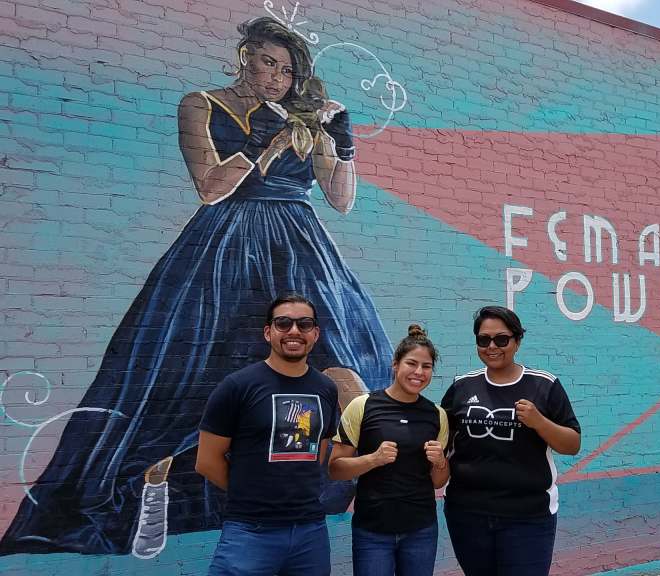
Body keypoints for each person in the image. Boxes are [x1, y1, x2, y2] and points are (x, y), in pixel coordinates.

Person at [0, 16, 393, 557]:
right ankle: (153, 487)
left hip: (302, 252)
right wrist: (260, 142)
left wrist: (342, 147)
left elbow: (341, 199)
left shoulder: (301, 120)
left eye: (287, 70)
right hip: (225, 249)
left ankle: (314, 494)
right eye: (268, 62)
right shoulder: (201, 104)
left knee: (348, 377)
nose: (277, 77)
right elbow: (210, 188)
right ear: (245, 57)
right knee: (183, 384)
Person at [197, 294, 339, 575]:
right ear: (268, 332)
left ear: (315, 334)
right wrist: (251, 495)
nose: (294, 331)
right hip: (250, 531)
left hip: (310, 532)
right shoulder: (237, 386)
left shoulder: (326, 388)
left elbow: (319, 452)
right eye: (283, 323)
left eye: (304, 324)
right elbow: (206, 461)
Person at [441, 306, 581, 576]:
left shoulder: (544, 385)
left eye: (502, 339)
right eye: (484, 340)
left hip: (528, 517)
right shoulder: (461, 386)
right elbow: (442, 442)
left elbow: (572, 444)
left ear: (517, 341)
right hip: (468, 515)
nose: (492, 347)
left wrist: (539, 422)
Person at [328, 325, 449, 576]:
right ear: (395, 364)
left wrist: (440, 462)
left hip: (421, 530)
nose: (418, 372)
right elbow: (335, 469)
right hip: (372, 531)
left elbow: (438, 482)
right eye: (411, 363)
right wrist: (373, 459)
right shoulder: (363, 406)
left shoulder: (437, 415)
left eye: (426, 366)